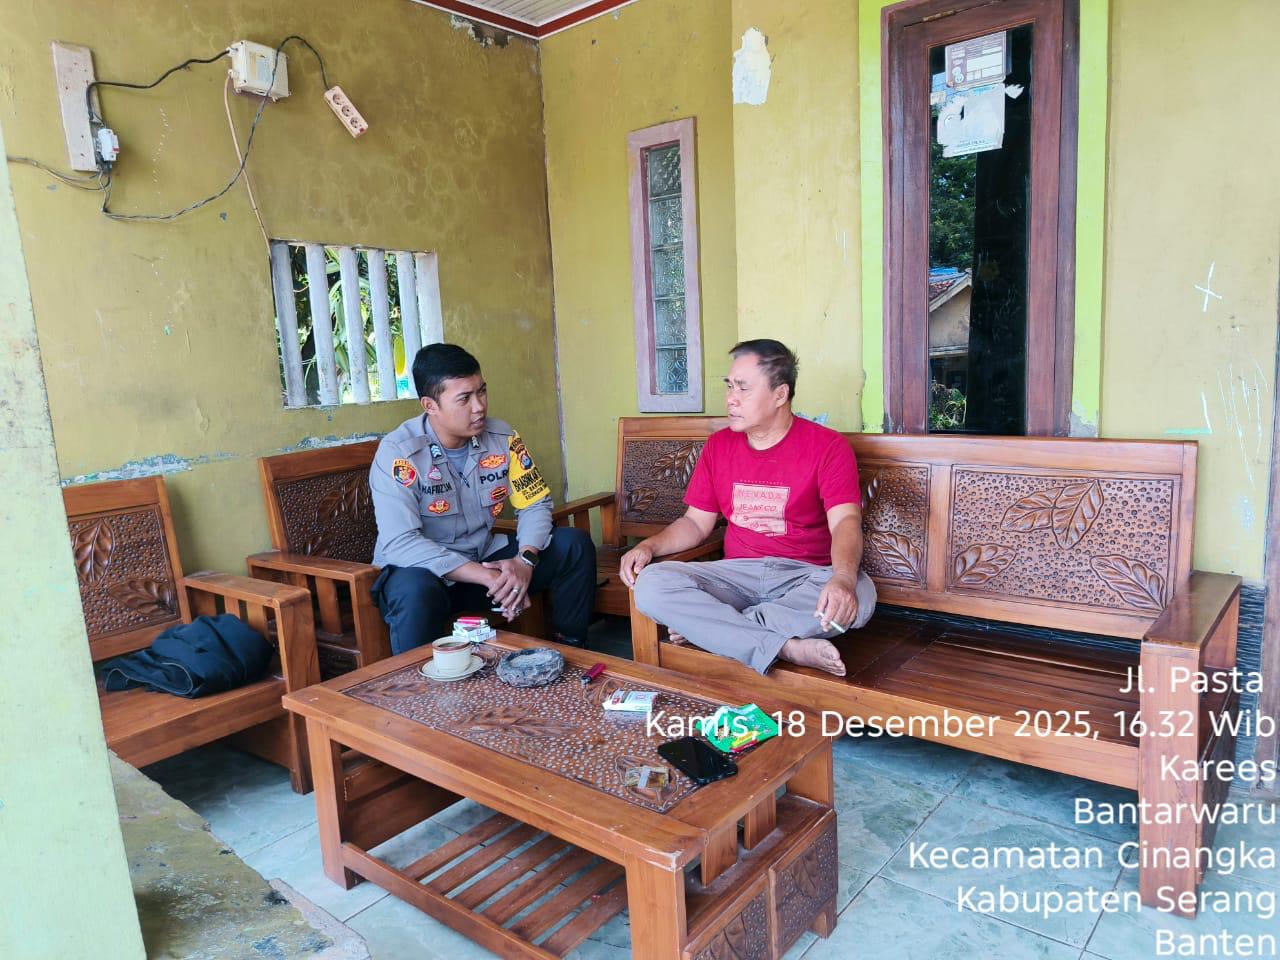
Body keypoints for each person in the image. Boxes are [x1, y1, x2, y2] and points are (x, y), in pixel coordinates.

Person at [622, 339, 876, 676]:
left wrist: (842, 578)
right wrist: (648, 546)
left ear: (780, 395)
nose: (731, 398)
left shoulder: (828, 447)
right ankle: (785, 647)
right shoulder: (718, 446)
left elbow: (845, 521)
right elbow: (695, 524)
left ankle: (716, 631)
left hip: (804, 576)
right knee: (652, 584)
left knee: (861, 594)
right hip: (736, 577)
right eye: (729, 386)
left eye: (743, 388)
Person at [369, 343, 596, 654]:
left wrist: (525, 560)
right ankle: (418, 681)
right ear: (430, 405)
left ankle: (571, 650)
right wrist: (488, 576)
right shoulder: (399, 454)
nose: (479, 407)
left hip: (483, 563)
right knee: (414, 591)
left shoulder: (502, 437)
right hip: (428, 577)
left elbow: (535, 503)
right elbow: (401, 542)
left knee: (573, 545)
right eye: (464, 398)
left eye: (482, 392)